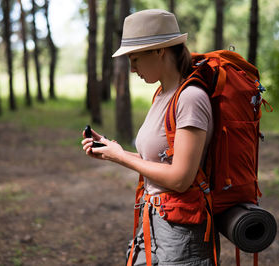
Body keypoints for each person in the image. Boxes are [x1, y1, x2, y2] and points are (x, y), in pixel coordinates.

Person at [81, 9, 218, 266]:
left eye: (135, 59)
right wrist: (114, 151)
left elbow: (180, 178)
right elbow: (160, 161)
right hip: (153, 219)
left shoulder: (190, 98)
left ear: (160, 51)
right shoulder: (162, 94)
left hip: (182, 234)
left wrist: (121, 157)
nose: (132, 69)